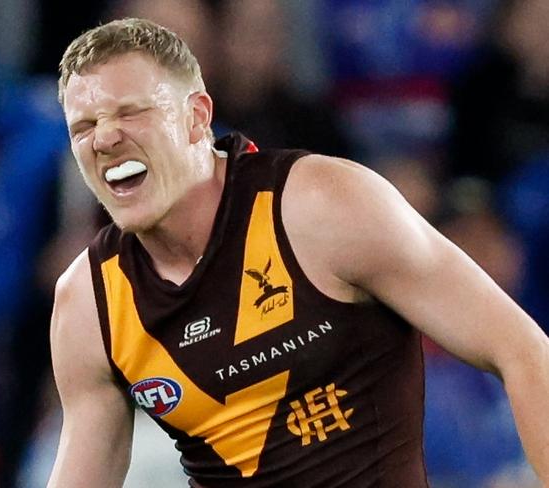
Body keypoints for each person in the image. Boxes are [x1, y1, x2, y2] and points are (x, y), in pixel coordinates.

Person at [48, 18, 549, 487]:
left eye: (131, 112)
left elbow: (524, 351)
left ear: (198, 117)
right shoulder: (89, 304)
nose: (106, 138)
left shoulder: (320, 207)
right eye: (83, 127)